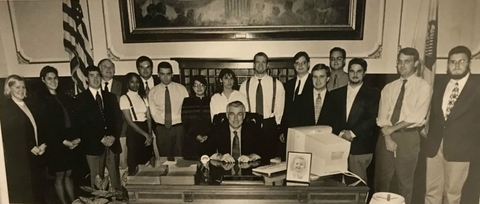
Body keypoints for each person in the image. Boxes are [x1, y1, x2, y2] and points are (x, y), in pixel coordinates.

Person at [375, 48, 432, 204]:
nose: (402, 65)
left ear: (415, 64)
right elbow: (382, 116)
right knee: (381, 181)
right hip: (386, 136)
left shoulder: (423, 87)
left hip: (408, 137)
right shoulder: (389, 87)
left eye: (407, 61)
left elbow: (417, 116)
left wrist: (391, 130)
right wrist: (387, 136)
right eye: (399, 61)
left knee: (405, 183)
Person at [425, 46, 480, 204]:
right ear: (448, 64)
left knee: (452, 194)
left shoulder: (476, 88)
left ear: (469, 63)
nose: (456, 65)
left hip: (460, 149)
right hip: (435, 146)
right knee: (431, 191)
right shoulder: (440, 84)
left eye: (461, 61)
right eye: (452, 62)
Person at [320, 58, 380, 182]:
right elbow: (328, 118)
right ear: (348, 72)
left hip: (360, 146)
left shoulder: (373, 94)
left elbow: (371, 119)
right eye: (352, 71)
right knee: (335, 183)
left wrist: (352, 133)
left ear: (364, 73)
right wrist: (340, 133)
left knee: (358, 184)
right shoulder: (335, 94)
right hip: (337, 143)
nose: (355, 74)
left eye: (359, 71)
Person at [75, 66, 123, 195]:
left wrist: (114, 136)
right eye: (92, 75)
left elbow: (119, 120)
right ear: (86, 78)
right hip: (94, 145)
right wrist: (100, 138)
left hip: (112, 145)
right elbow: (82, 125)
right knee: (97, 182)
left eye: (97, 75)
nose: (96, 78)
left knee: (116, 181)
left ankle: (119, 201)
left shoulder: (111, 97)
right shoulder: (80, 99)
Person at [37, 66, 80, 204]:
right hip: (56, 143)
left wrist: (76, 139)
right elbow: (46, 127)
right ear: (43, 80)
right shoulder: (42, 100)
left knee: (69, 174)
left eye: (55, 78)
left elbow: (73, 120)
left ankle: (73, 201)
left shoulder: (64, 97)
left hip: (69, 141)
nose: (53, 81)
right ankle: (63, 202)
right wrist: (63, 141)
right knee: (60, 174)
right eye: (49, 78)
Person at [0, 75, 47, 203]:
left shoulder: (28, 105)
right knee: (25, 194)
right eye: (17, 87)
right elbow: (11, 137)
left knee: (36, 191)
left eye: (23, 87)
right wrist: (31, 147)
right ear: (9, 89)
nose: (21, 90)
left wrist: (42, 144)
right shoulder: (7, 109)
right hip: (20, 159)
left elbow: (37, 128)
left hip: (34, 156)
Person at [240, 52, 285, 161]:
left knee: (270, 160)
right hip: (250, 125)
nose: (260, 65)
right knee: (250, 160)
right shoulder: (244, 85)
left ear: (267, 65)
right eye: (257, 62)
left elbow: (280, 108)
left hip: (270, 126)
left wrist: (275, 127)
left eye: (263, 62)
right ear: (253, 65)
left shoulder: (277, 84)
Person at [149, 61, 189, 157]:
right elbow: (153, 112)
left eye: (168, 74)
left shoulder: (181, 89)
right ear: (158, 74)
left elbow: (186, 110)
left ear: (172, 74)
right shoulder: (153, 92)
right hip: (162, 129)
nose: (165, 77)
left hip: (178, 128)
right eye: (162, 74)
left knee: (180, 157)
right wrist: (161, 124)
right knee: (164, 158)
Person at [119, 73, 153, 176]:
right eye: (132, 82)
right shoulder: (124, 98)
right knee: (134, 162)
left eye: (137, 82)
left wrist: (150, 134)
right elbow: (129, 121)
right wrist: (145, 135)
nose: (135, 84)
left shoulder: (143, 97)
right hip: (134, 131)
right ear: (127, 84)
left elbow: (149, 117)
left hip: (145, 129)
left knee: (146, 162)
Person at [181, 75, 212, 160]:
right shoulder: (187, 101)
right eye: (196, 85)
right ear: (192, 87)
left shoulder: (211, 100)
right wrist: (196, 135)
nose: (199, 88)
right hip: (192, 139)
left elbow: (213, 120)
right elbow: (185, 122)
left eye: (201, 85)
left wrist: (207, 135)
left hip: (208, 138)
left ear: (205, 87)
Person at [282, 51, 315, 128]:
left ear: (308, 64)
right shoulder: (288, 85)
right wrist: (283, 129)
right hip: (290, 128)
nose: (300, 65)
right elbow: (285, 109)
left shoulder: (314, 82)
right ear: (294, 65)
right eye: (297, 63)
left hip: (307, 128)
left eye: (303, 63)